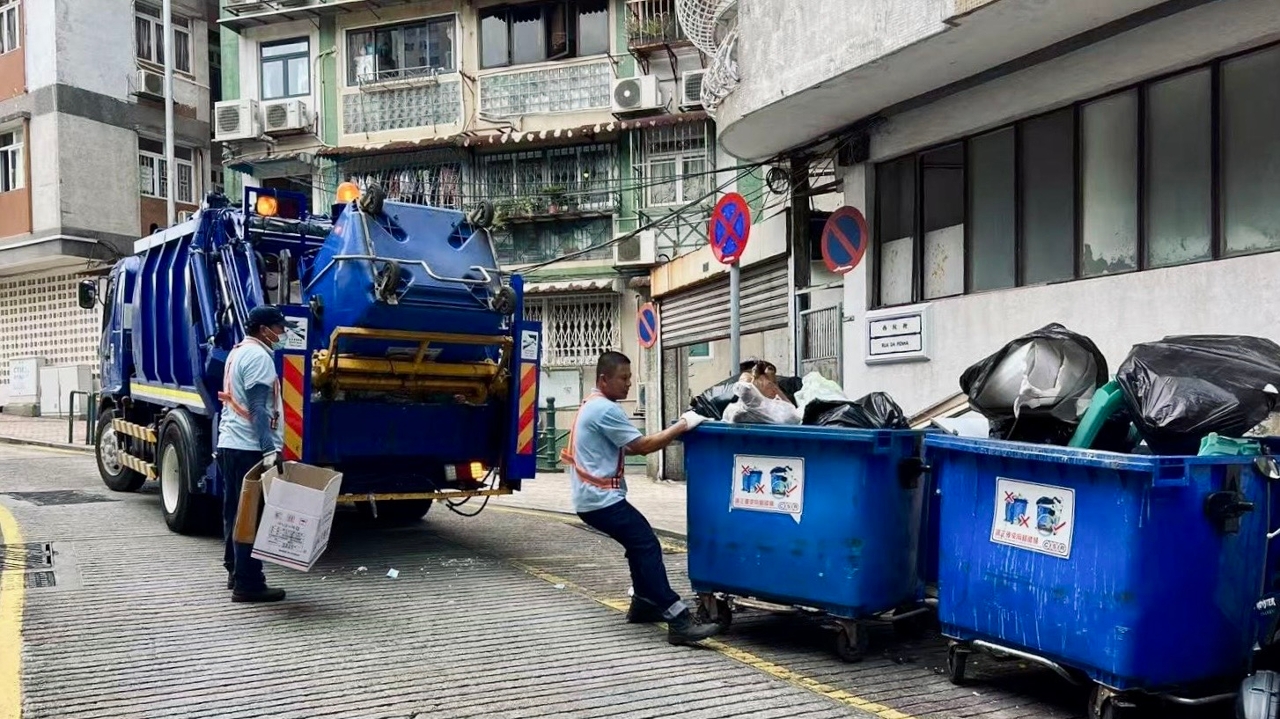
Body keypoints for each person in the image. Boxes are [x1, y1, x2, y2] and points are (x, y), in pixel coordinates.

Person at [561, 350, 721, 645]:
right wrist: (684, 424)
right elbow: (644, 446)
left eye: (630, 377)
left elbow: (629, 445)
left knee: (639, 544)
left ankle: (644, 604)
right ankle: (678, 618)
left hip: (591, 498)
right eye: (623, 378)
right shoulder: (605, 410)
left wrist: (672, 430)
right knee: (646, 544)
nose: (629, 384)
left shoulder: (593, 404)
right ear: (603, 380)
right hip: (600, 499)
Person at [216, 305, 288, 603]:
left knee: (235, 512)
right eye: (279, 328)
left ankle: (235, 571)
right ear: (264, 329)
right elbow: (258, 408)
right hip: (248, 449)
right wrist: (269, 449)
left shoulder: (238, 352)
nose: (283, 333)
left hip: (230, 444)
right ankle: (249, 583)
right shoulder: (259, 357)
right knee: (251, 517)